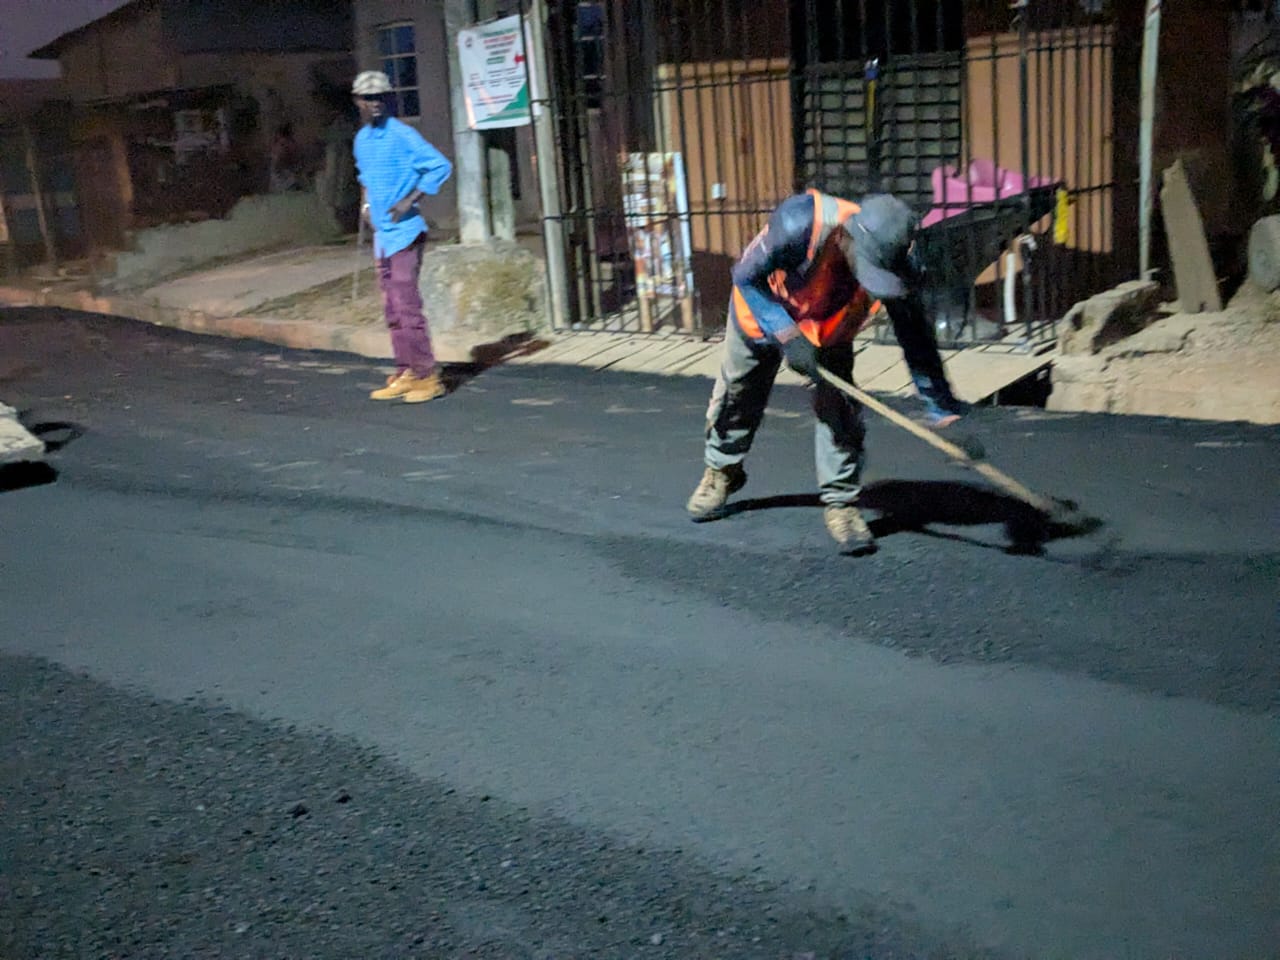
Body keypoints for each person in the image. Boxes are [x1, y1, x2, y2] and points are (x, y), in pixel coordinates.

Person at [686, 189, 970, 555]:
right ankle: (722, 470)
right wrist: (787, 334)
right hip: (761, 313)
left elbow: (918, 345)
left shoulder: (899, 262)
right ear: (843, 236)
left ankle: (841, 501)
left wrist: (944, 414)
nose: (870, 281)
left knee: (840, 409)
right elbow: (745, 276)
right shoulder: (800, 223)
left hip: (828, 327)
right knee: (740, 394)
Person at [352, 70, 454, 403]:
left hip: (406, 232)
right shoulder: (362, 140)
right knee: (392, 308)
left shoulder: (403, 135)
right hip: (383, 234)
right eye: (368, 98)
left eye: (380, 96)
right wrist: (367, 203)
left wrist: (410, 200)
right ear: (358, 103)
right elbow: (364, 176)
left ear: (390, 99)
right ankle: (406, 370)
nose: (375, 103)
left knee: (407, 305)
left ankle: (427, 376)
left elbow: (439, 166)